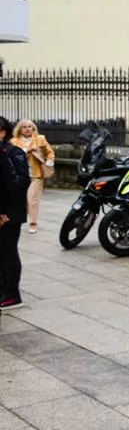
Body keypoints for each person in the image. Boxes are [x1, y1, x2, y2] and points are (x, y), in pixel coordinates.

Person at [0, 117, 30, 310]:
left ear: (3, 132)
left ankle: (12, 294)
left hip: (10, 213)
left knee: (8, 251)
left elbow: (19, 184)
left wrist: (6, 212)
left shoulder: (12, 153)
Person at [13, 120, 54, 234]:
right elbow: (13, 155)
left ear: (33, 128)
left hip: (36, 174)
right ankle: (20, 218)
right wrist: (27, 150)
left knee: (32, 199)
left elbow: (50, 152)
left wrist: (48, 162)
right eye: (24, 127)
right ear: (19, 129)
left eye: (30, 127)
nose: (27, 129)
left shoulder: (40, 139)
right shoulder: (14, 141)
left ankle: (33, 222)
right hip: (20, 175)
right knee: (22, 199)